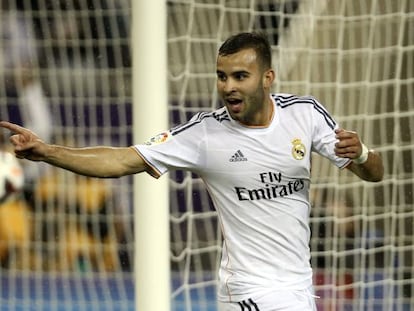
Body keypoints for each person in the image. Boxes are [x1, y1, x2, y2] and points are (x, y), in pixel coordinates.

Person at [0, 32, 383, 310]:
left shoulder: (305, 114)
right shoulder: (204, 133)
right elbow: (121, 160)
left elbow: (374, 172)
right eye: (222, 76)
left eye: (240, 76)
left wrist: (363, 153)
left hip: (299, 287)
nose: (228, 87)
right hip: (249, 291)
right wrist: (48, 152)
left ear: (268, 78)